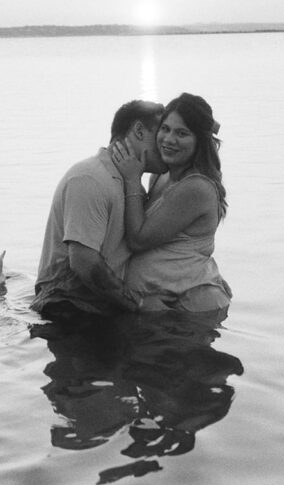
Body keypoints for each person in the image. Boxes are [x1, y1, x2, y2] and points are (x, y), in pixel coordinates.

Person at [30, 99, 166, 321]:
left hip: (102, 307)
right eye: (161, 133)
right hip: (67, 309)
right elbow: (84, 263)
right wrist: (137, 304)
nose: (166, 142)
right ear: (139, 131)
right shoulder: (90, 177)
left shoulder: (133, 188)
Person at [111, 92, 232, 313]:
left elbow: (139, 239)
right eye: (165, 129)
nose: (168, 140)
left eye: (182, 133)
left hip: (191, 307)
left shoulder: (195, 187)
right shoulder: (160, 176)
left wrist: (131, 178)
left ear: (200, 141)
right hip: (164, 306)